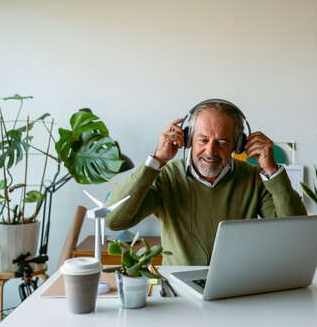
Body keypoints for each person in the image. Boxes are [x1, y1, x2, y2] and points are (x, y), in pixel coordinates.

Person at [106, 100, 306, 265]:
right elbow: (113, 220)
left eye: (222, 142)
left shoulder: (253, 178)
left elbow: (296, 235)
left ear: (237, 145)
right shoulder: (166, 176)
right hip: (179, 293)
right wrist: (156, 161)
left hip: (237, 288)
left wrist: (272, 170)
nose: (210, 152)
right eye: (203, 140)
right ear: (188, 138)